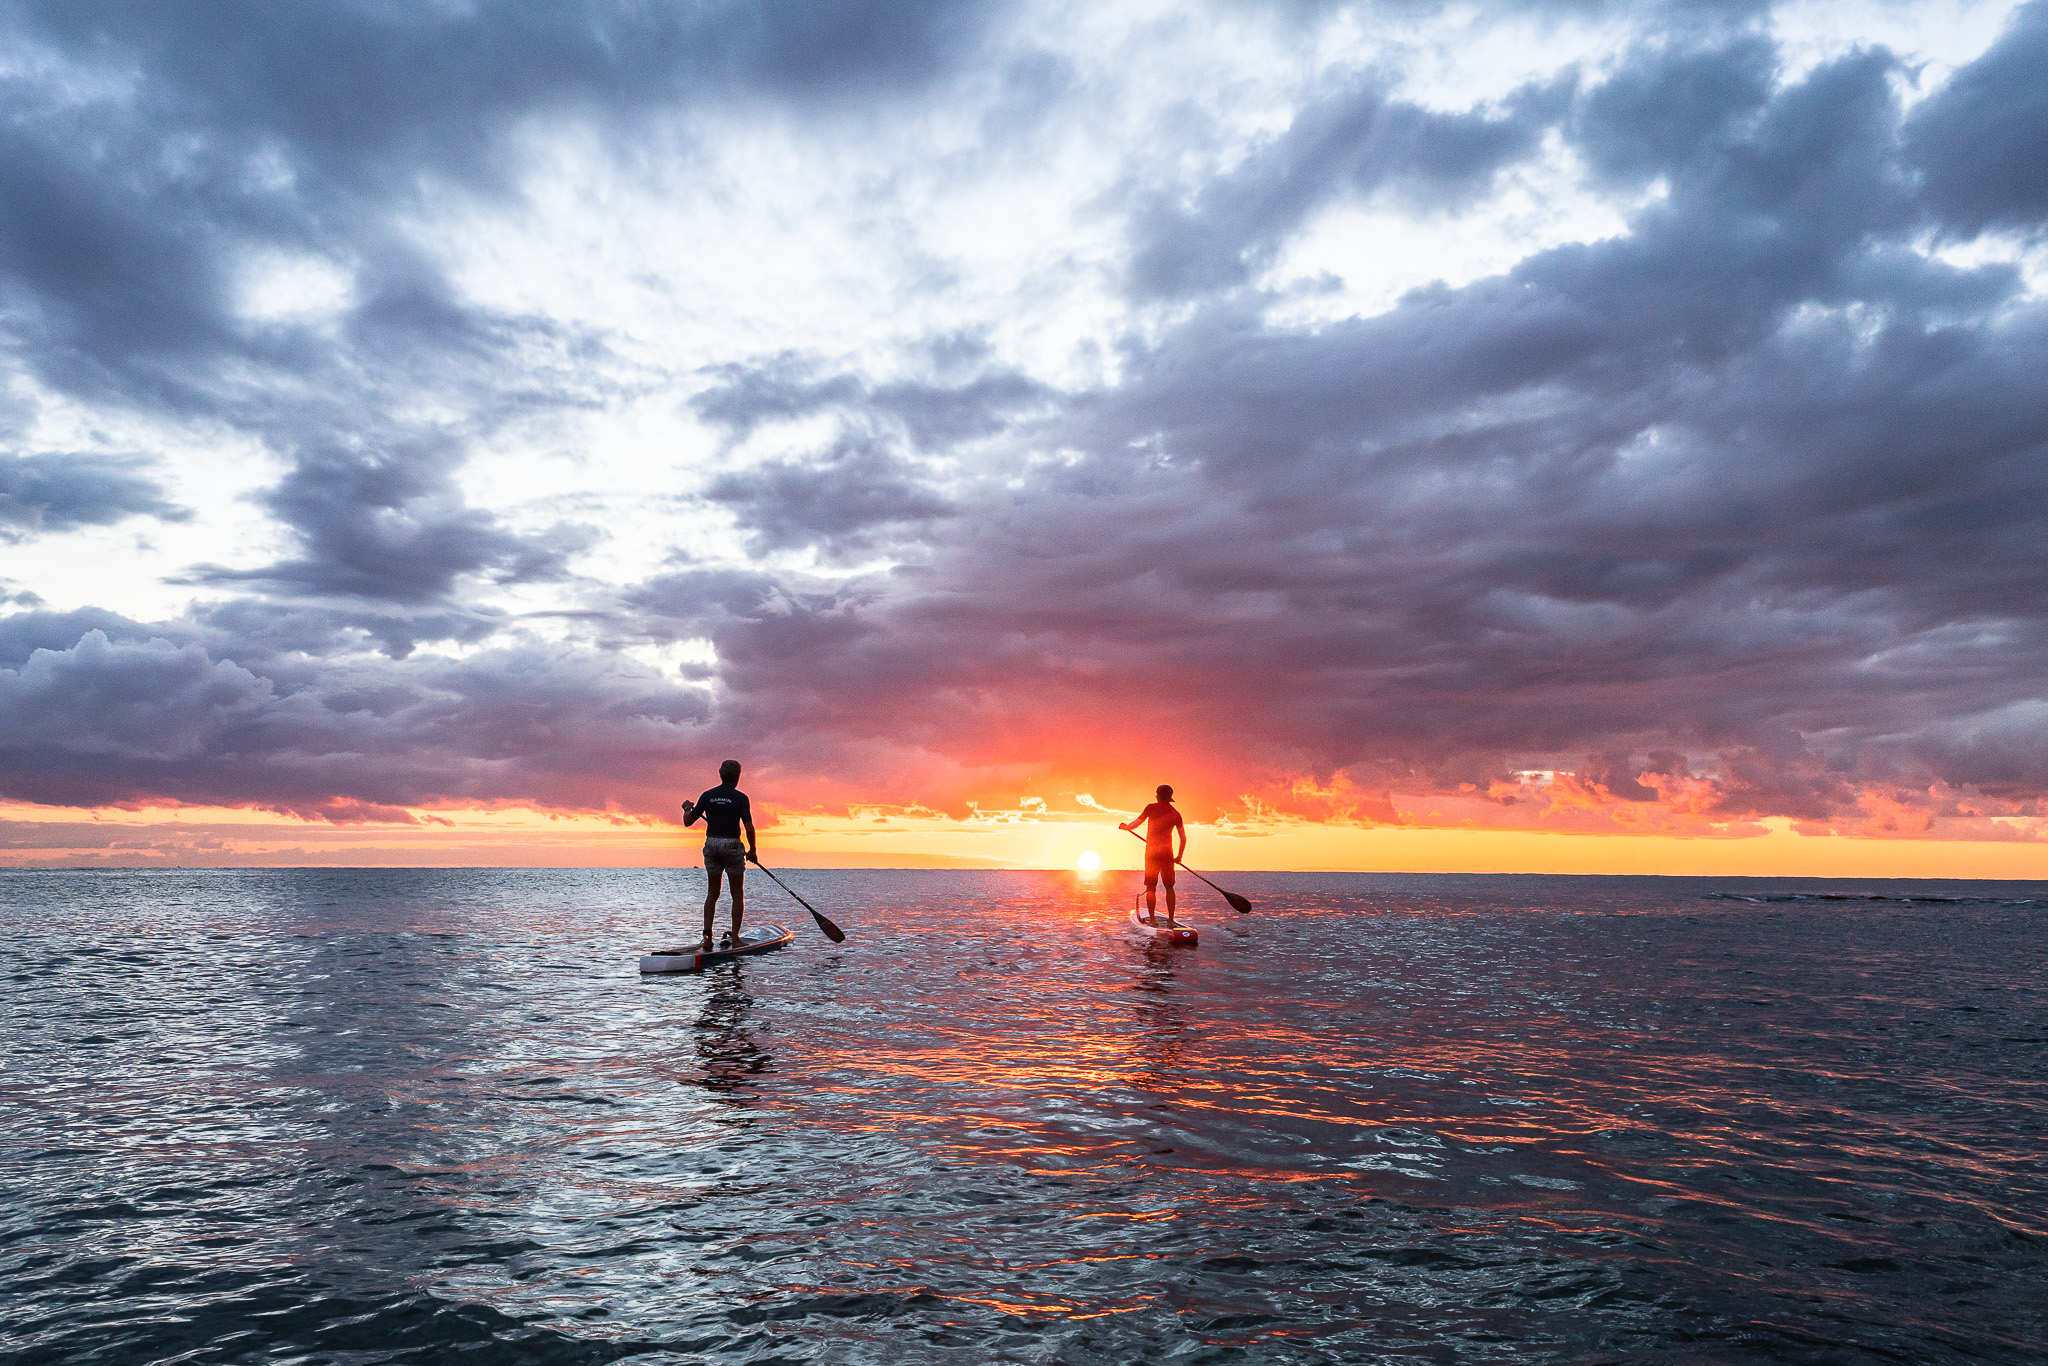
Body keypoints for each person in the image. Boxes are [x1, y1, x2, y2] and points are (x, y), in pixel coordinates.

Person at [681, 759, 757, 951]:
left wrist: (687, 808)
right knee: (736, 893)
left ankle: (707, 939)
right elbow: (749, 827)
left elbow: (688, 822)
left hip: (712, 844)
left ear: (720, 775)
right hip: (732, 845)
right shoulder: (741, 798)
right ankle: (736, 939)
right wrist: (753, 850)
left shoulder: (708, 796)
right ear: (738, 777)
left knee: (712, 894)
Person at [1120, 784, 1186, 926]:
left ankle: (1153, 921)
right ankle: (1170, 921)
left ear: (1158, 795)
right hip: (1167, 854)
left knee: (1151, 887)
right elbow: (1183, 838)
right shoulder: (1176, 813)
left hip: (1152, 853)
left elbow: (1134, 825)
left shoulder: (1150, 808)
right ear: (1169, 798)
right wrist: (1179, 856)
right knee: (1169, 887)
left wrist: (1125, 827)